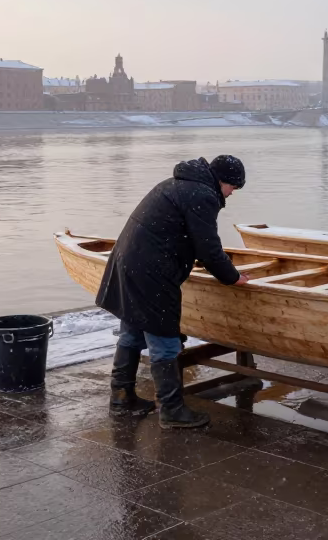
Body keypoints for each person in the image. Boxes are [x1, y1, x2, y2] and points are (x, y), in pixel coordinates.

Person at [95, 155, 249, 429]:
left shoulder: (176, 184)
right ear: (223, 181)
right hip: (152, 272)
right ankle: (172, 411)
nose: (232, 193)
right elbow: (208, 247)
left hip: (129, 261)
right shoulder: (202, 194)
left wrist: (200, 258)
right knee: (165, 341)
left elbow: (182, 234)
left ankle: (121, 398)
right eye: (233, 188)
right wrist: (232, 277)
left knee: (132, 332)